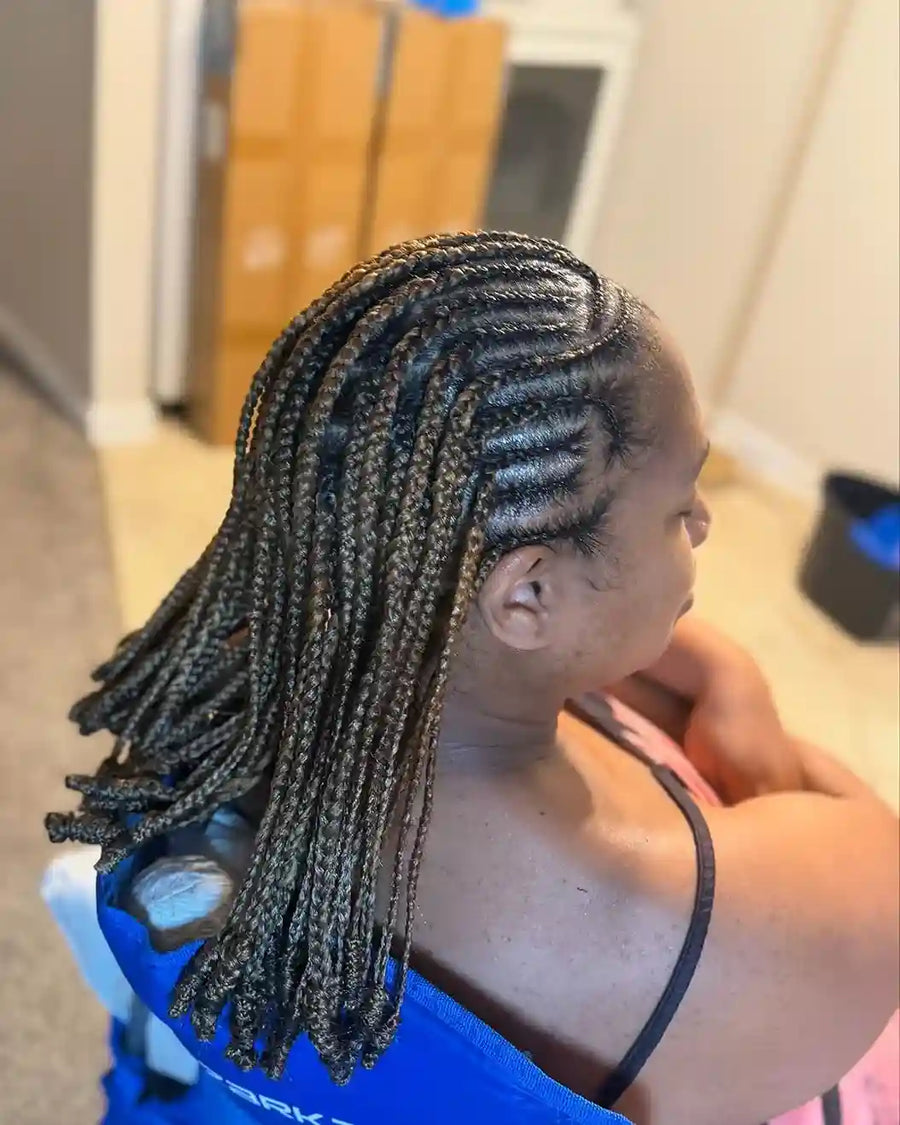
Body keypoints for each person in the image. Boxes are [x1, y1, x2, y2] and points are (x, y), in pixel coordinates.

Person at [46, 232, 898, 1125]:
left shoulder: (244, 679)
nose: (707, 523)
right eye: (679, 505)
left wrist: (722, 666)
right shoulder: (703, 930)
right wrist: (745, 709)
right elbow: (867, 840)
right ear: (526, 594)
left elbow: (572, 635)